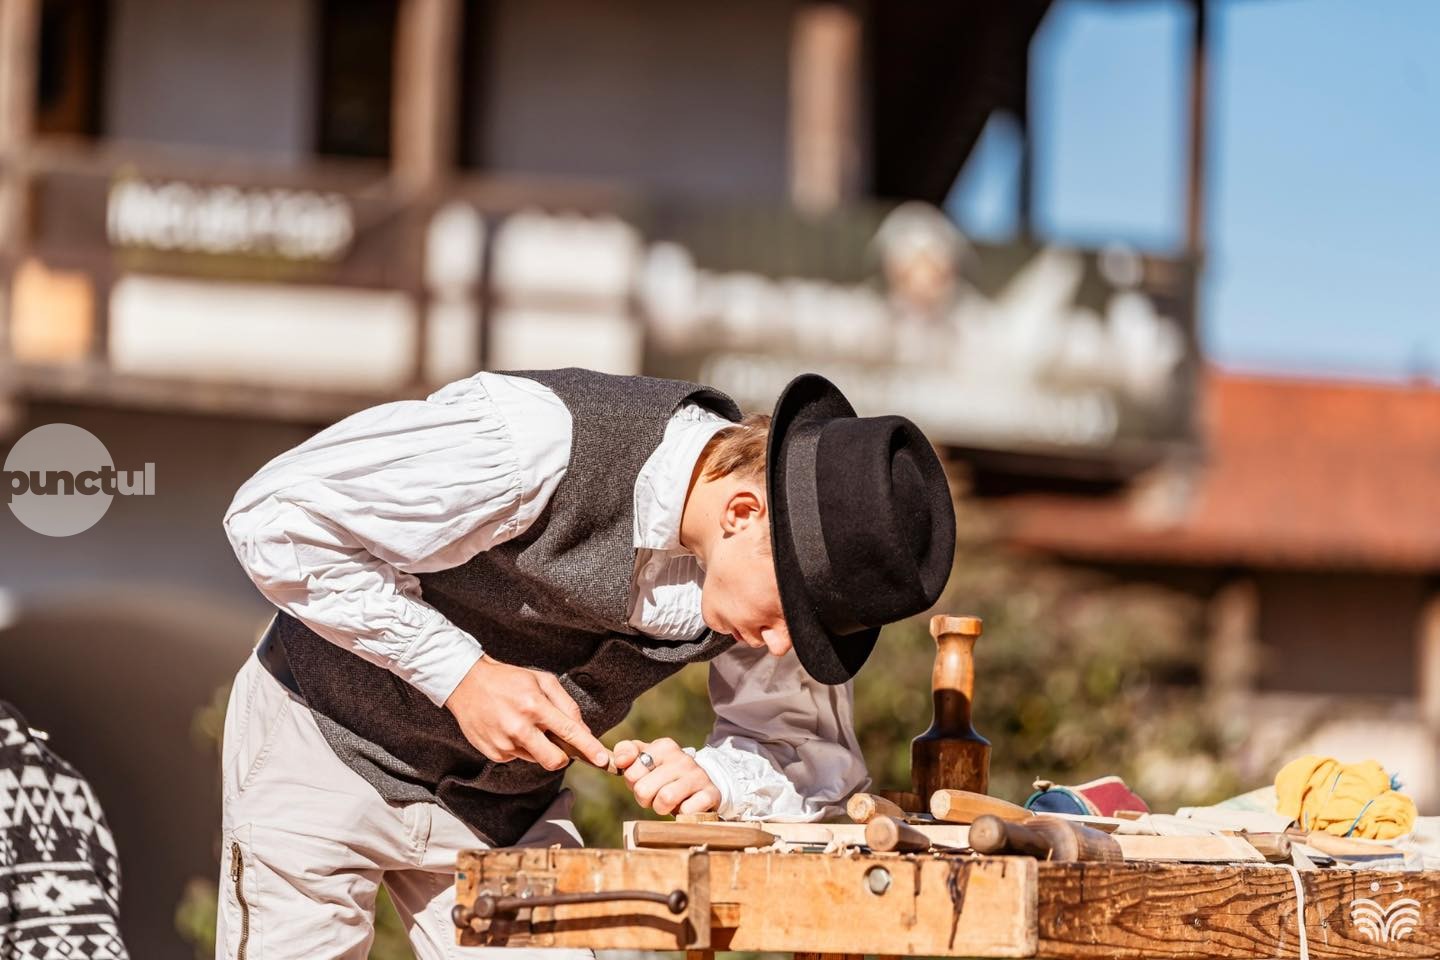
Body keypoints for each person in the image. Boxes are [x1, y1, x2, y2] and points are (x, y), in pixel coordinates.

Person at [217, 368, 955, 960]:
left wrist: (719, 777)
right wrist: (461, 674)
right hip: (322, 748)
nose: (782, 646)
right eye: (792, 614)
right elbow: (276, 517)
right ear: (740, 514)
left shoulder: (768, 578)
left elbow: (811, 761)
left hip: (499, 812)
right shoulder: (531, 439)